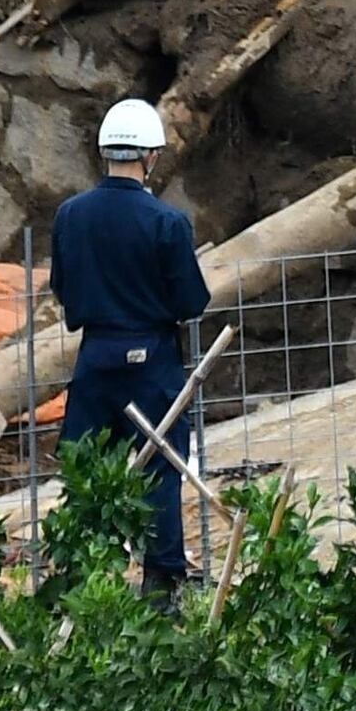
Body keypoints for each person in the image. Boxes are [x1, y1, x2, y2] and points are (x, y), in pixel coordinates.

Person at [52, 98, 209, 592]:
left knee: (86, 465)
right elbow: (190, 301)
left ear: (105, 153)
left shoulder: (70, 215)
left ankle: (82, 578)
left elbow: (64, 289)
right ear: (151, 157)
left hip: (96, 356)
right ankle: (161, 582)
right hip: (152, 360)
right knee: (160, 467)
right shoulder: (168, 223)